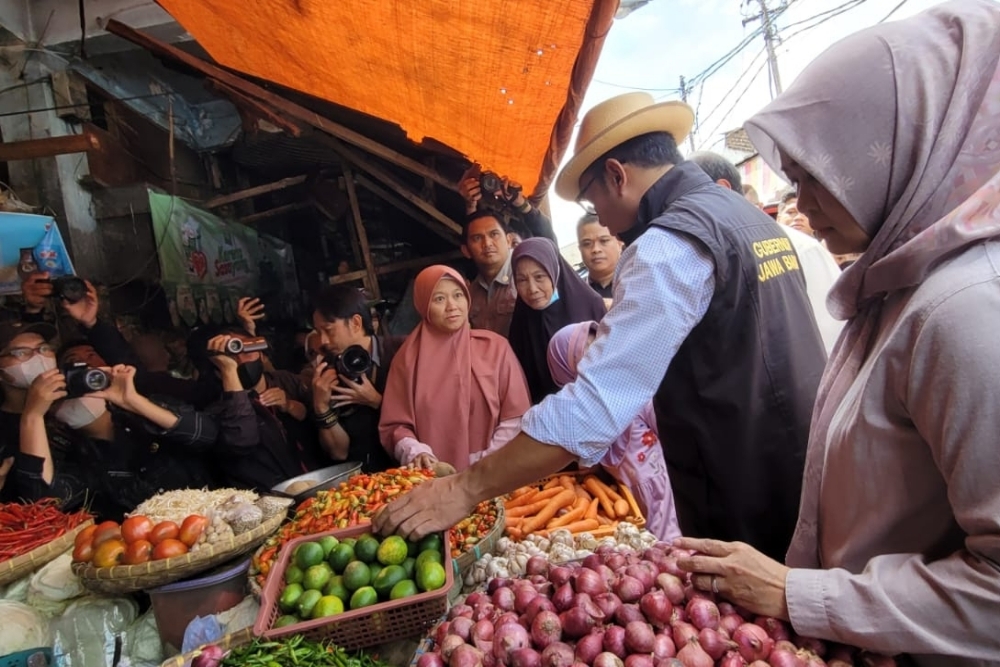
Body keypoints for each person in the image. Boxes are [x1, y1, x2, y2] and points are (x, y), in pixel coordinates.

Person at [673, 2, 1000, 663]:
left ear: (899, 149)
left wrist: (799, 593)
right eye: (794, 179)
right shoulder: (895, 285)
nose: (803, 202)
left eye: (819, 175)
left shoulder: (963, 308)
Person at [375, 92, 826, 563]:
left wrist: (464, 489)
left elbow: (595, 405)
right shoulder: (747, 217)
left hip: (746, 490)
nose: (603, 223)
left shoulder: (668, 245)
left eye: (595, 202)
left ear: (617, 175)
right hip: (802, 466)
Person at [379, 265, 531, 471]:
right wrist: (417, 453)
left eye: (458, 295)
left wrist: (484, 461)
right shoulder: (406, 361)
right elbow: (395, 426)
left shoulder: (495, 348)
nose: (452, 306)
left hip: (495, 473)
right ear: (423, 305)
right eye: (439, 299)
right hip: (434, 479)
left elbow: (516, 414)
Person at [690, 150, 844, 353]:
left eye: (686, 199)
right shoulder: (708, 256)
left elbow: (831, 333)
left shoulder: (801, 247)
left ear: (721, 190)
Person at [547, 321, 679, 541]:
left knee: (669, 541)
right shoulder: (580, 413)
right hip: (625, 494)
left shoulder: (632, 392)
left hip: (659, 484)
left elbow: (667, 430)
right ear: (567, 368)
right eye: (586, 354)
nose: (598, 358)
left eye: (599, 347)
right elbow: (586, 461)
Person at [207, 326, 319, 490]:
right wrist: (228, 369)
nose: (241, 359)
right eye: (231, 353)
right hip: (271, 496)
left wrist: (289, 405)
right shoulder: (220, 409)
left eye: (245, 349)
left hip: (315, 482)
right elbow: (241, 439)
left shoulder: (286, 380)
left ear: (260, 353)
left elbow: (313, 417)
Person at [311, 285, 403, 472]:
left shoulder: (402, 353)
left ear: (355, 323)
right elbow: (339, 453)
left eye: (328, 330)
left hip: (411, 469)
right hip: (366, 485)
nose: (323, 341)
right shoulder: (328, 374)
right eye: (318, 332)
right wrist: (321, 407)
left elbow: (428, 419)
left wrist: (376, 401)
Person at [508, 237, 607, 403]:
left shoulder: (590, 305)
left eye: (539, 277)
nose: (532, 289)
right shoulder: (520, 324)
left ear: (555, 271)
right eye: (522, 280)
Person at [462, 213, 519, 338]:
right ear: (466, 251)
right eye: (477, 238)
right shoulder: (470, 294)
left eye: (494, 234)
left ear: (509, 240)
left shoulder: (525, 277)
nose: (487, 243)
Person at [576, 213, 624, 302]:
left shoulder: (637, 282)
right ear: (580, 249)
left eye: (604, 241)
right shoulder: (575, 292)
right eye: (587, 243)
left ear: (620, 242)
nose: (596, 249)